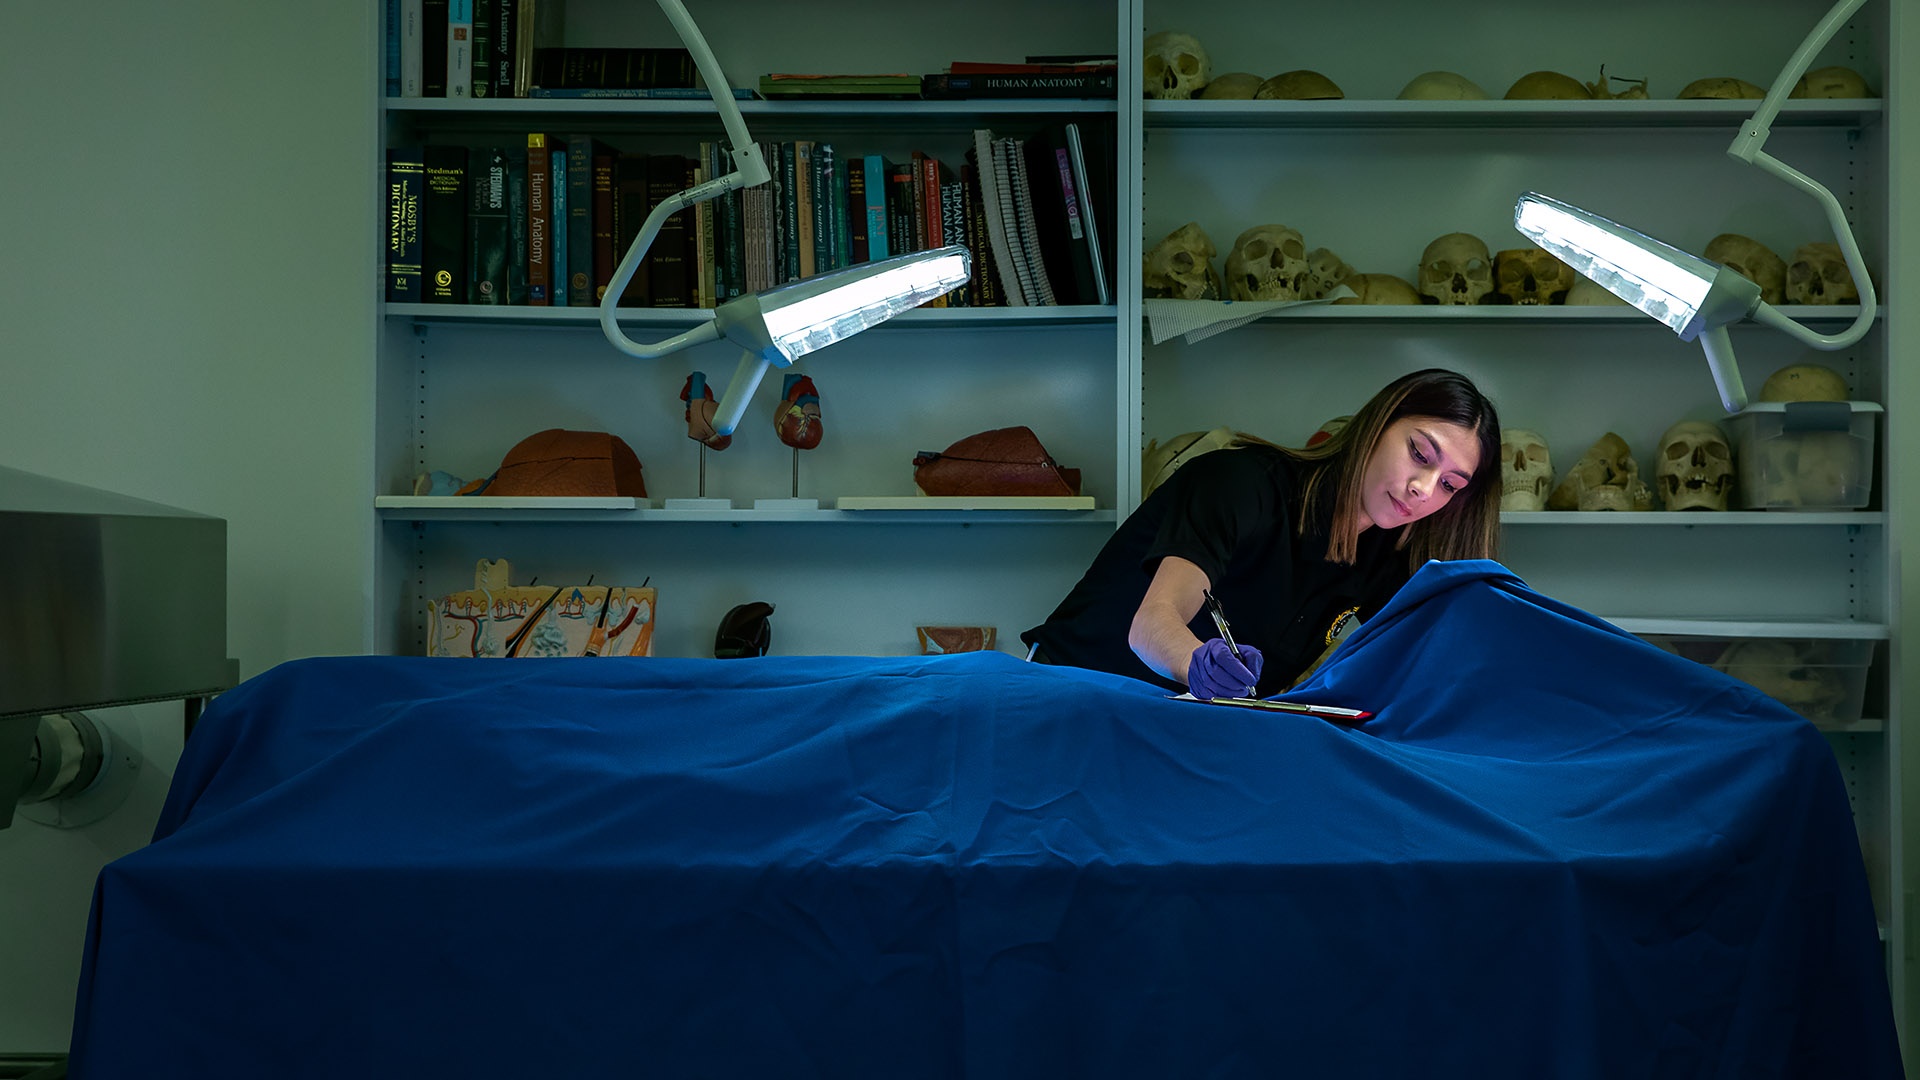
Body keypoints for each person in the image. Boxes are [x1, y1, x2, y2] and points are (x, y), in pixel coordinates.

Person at [1020, 367, 1502, 699]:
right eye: (1420, 454)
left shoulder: (1387, 556)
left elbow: (1427, 665)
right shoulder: (1239, 484)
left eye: (1449, 485)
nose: (1423, 489)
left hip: (1188, 729)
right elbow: (1152, 624)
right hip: (1071, 690)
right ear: (1377, 425)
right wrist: (1200, 666)